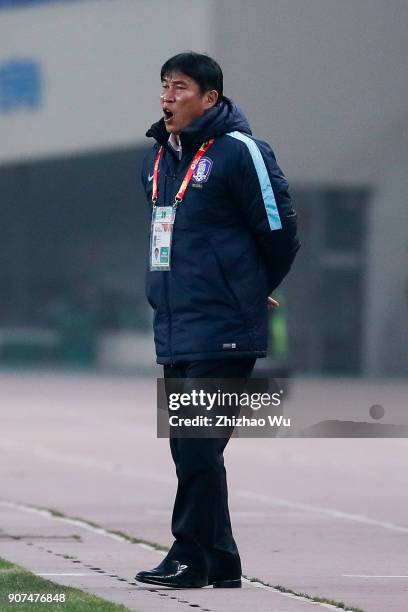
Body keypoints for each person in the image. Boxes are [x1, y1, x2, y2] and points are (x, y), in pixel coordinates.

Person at [135, 52, 300, 589]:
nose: (167, 97)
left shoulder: (241, 152)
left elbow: (279, 232)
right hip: (177, 323)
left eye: (179, 87)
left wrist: (255, 290)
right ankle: (221, 557)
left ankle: (188, 555)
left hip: (225, 326)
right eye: (163, 86)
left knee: (199, 443)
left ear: (210, 98)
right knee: (190, 446)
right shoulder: (158, 159)